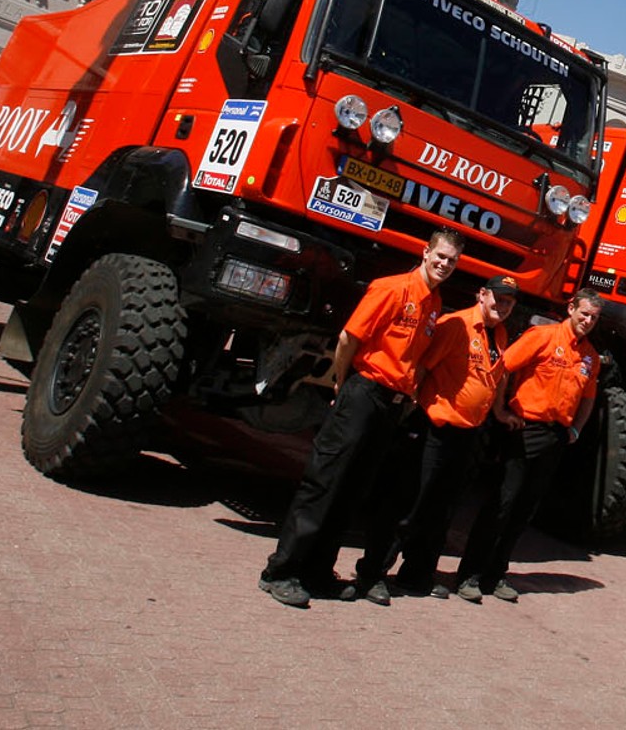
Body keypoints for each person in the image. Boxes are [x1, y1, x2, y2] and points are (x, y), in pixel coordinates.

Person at [258, 229, 463, 608]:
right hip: (364, 392)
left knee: (352, 490)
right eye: (440, 256)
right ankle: (281, 571)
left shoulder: (434, 302)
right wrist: (342, 383)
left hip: (389, 405)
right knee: (325, 483)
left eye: (451, 261)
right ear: (425, 252)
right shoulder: (391, 289)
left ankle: (318, 572)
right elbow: (348, 339)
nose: (444, 264)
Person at [451, 290, 603, 603]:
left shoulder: (591, 357)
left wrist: (576, 429)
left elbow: (588, 398)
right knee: (502, 504)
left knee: (524, 510)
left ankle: (496, 575)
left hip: (555, 437)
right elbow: (503, 367)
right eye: (584, 313)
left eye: (594, 318)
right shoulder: (543, 337)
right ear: (571, 309)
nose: (588, 321)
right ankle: (470, 575)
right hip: (524, 430)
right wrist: (500, 411)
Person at [375, 274, 517, 603]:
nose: (503, 306)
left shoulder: (500, 334)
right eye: (498, 298)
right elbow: (423, 366)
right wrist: (411, 406)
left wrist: (498, 411)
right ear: (482, 294)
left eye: (509, 302)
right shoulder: (456, 325)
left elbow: (497, 376)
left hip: (468, 434)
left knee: (441, 510)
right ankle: (374, 573)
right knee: (411, 503)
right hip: (435, 428)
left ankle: (417, 574)